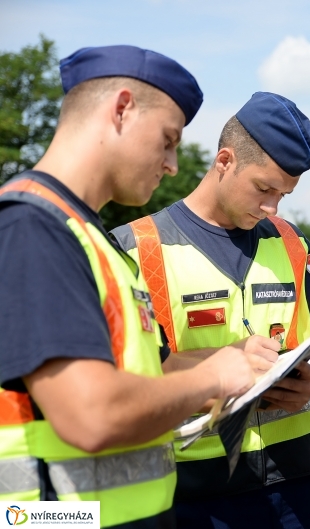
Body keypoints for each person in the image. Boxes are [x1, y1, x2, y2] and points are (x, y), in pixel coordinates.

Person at [110, 91, 310, 529]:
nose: (272, 207)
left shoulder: (288, 239)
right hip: (193, 498)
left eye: (283, 194)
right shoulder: (136, 249)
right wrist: (230, 368)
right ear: (225, 160)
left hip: (296, 489)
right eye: (264, 188)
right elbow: (127, 374)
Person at [0, 45, 259, 526]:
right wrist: (214, 377)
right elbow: (91, 414)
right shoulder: (33, 228)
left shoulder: (90, 239)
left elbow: (149, 371)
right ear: (121, 109)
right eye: (167, 139)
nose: (173, 164)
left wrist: (239, 357)